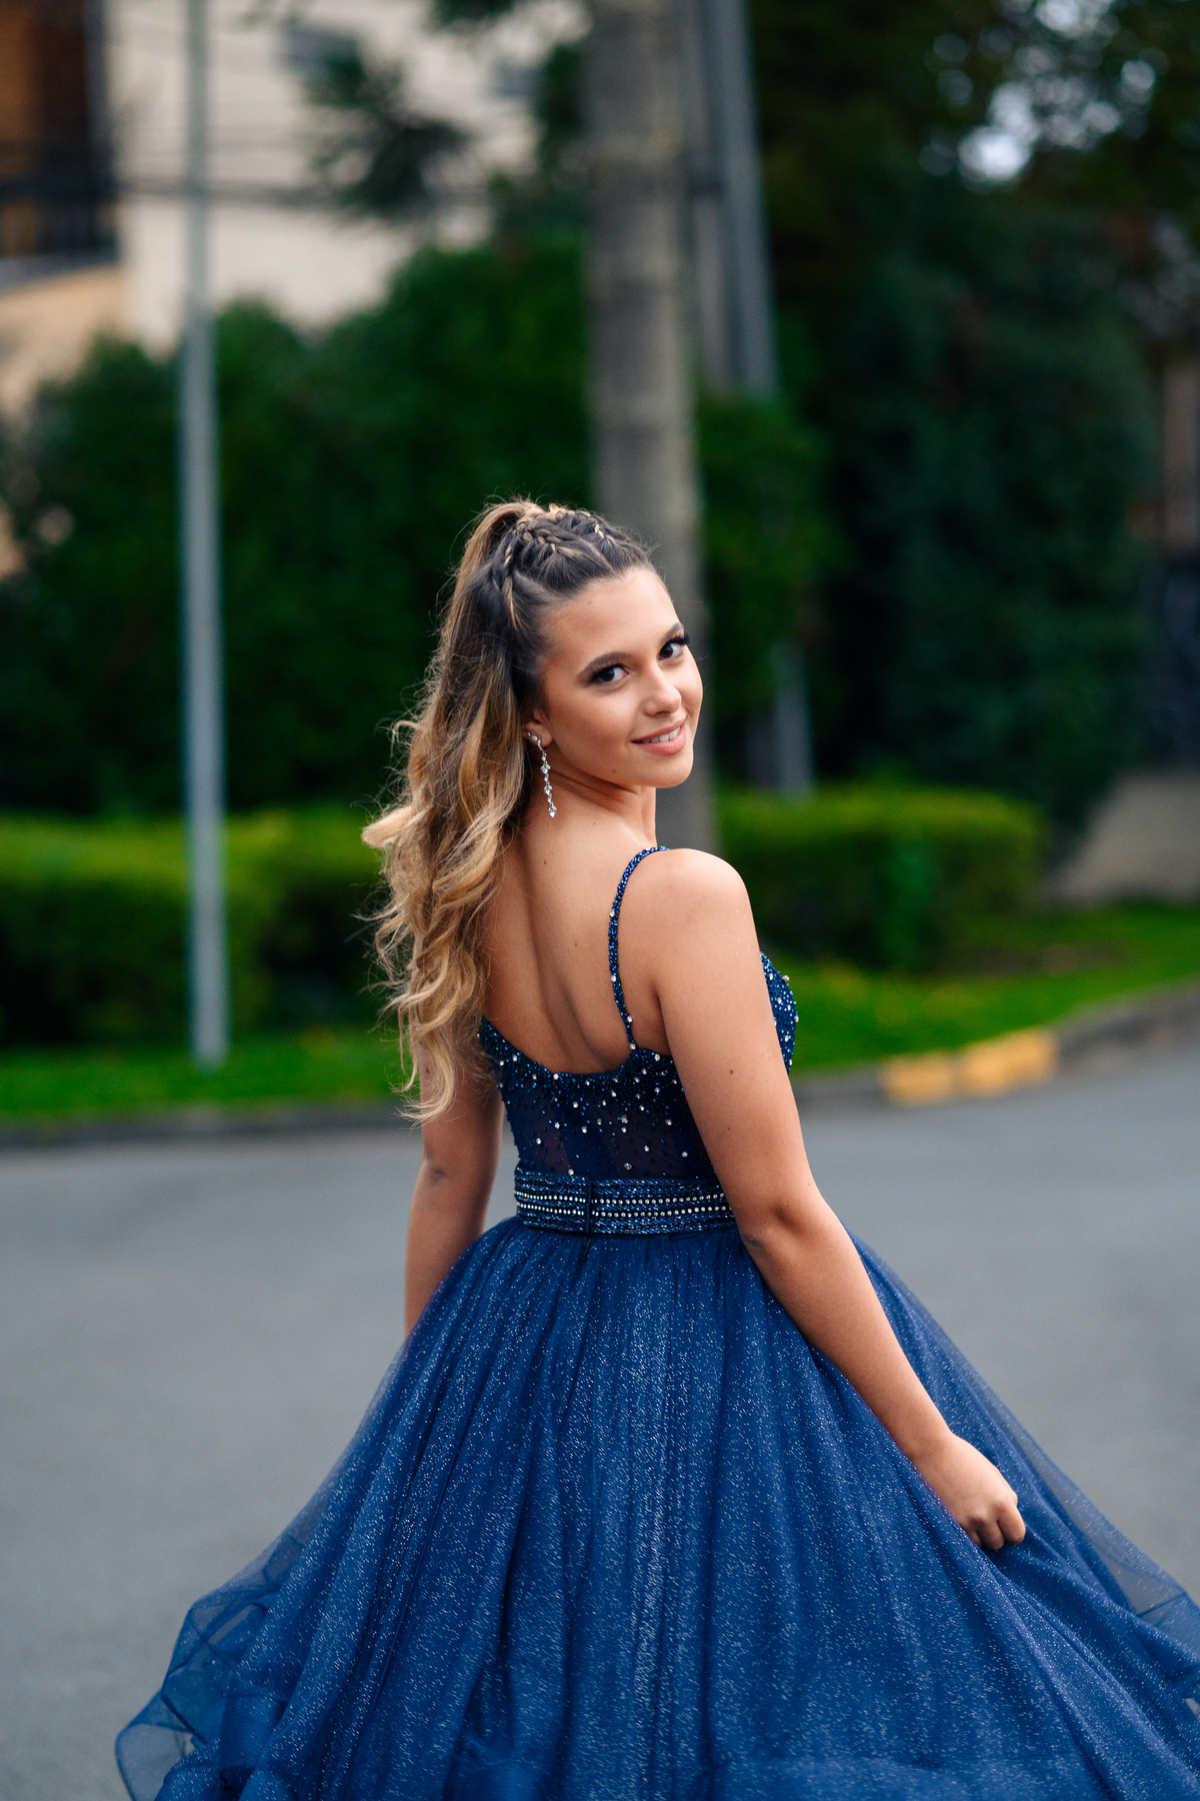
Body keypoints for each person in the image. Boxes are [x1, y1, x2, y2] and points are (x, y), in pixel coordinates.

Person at [118, 501, 1200, 1801]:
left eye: (671, 649)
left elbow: (452, 1177)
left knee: (555, 1710)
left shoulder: (466, 883)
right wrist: (929, 1444)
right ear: (531, 713)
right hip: (716, 1336)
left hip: (521, 1330)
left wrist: (430, 1435)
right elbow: (778, 1214)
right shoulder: (683, 896)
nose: (664, 694)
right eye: (608, 673)